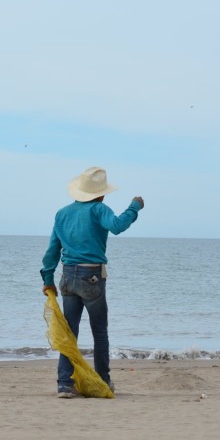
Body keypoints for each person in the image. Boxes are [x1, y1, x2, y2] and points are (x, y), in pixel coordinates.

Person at [40, 167, 144, 398]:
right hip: (92, 276)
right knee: (99, 331)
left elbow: (52, 250)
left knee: (70, 332)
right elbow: (117, 226)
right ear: (102, 194)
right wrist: (134, 207)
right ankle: (103, 381)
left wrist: (48, 278)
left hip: (67, 275)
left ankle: (65, 384)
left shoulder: (62, 213)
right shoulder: (99, 209)